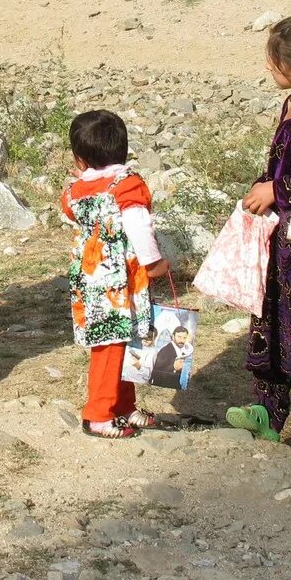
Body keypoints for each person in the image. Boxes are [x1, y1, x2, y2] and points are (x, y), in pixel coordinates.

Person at [227, 14, 291, 450]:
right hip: (278, 237)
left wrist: (277, 189)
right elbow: (278, 162)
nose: (268, 70)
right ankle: (267, 409)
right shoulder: (290, 103)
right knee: (267, 314)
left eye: (273, 63)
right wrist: (261, 186)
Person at [61, 109, 172, 438]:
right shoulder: (127, 187)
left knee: (116, 342)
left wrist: (85, 178)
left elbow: (69, 210)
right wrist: (154, 263)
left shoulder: (78, 190)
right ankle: (98, 414)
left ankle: (123, 407)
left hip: (89, 279)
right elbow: (139, 226)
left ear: (80, 159)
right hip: (118, 280)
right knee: (111, 346)